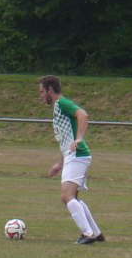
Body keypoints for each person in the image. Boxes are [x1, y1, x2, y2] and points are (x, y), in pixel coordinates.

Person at [38, 75, 104, 244]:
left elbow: (83, 114)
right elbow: (65, 138)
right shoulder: (57, 107)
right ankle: (95, 232)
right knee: (73, 196)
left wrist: (79, 138)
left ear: (50, 90)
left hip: (78, 155)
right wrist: (60, 163)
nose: (40, 96)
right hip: (72, 156)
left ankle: (88, 234)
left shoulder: (62, 103)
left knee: (66, 196)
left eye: (41, 92)